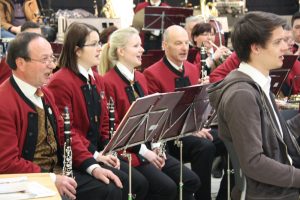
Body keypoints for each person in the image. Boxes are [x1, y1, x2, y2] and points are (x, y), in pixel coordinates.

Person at [0, 32, 124, 200]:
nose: (52, 65)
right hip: (28, 182)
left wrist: (92, 166)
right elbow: (6, 163)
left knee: (112, 187)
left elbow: (65, 134)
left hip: (56, 173)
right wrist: (51, 179)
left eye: (52, 58)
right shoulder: (4, 102)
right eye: (45, 60)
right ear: (20, 63)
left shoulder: (45, 93)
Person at [47, 22, 148, 200]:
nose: (99, 49)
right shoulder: (61, 81)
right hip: (74, 157)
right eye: (93, 44)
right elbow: (68, 132)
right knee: (121, 185)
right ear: (77, 50)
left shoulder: (96, 80)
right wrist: (95, 155)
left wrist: (108, 151)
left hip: (96, 151)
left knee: (138, 182)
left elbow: (102, 124)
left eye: (99, 43)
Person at [207, 11, 300, 199]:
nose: (286, 47)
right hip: (268, 193)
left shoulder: (257, 83)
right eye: (277, 42)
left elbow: (275, 135)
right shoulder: (242, 94)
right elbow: (254, 163)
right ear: (256, 47)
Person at [101, 26, 200, 200]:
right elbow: (115, 128)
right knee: (167, 188)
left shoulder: (139, 77)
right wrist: (144, 151)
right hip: (128, 152)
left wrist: (156, 146)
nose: (142, 49)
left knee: (191, 180)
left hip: (148, 147)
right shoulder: (108, 82)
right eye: (136, 46)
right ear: (121, 51)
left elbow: (153, 116)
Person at [143, 25, 217, 200]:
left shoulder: (192, 68)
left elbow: (195, 105)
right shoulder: (151, 73)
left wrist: (204, 92)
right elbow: (158, 116)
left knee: (230, 136)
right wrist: (190, 128)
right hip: (169, 136)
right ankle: (202, 196)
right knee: (204, 147)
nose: (184, 48)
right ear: (164, 45)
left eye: (186, 43)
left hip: (192, 128)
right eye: (178, 43)